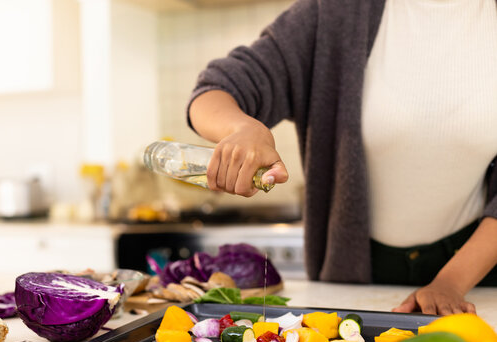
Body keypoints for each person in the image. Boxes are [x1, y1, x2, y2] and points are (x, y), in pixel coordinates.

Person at [185, 0, 497, 316]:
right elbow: (216, 89)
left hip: (476, 271)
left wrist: (451, 282)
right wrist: (242, 128)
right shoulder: (334, 11)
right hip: (355, 273)